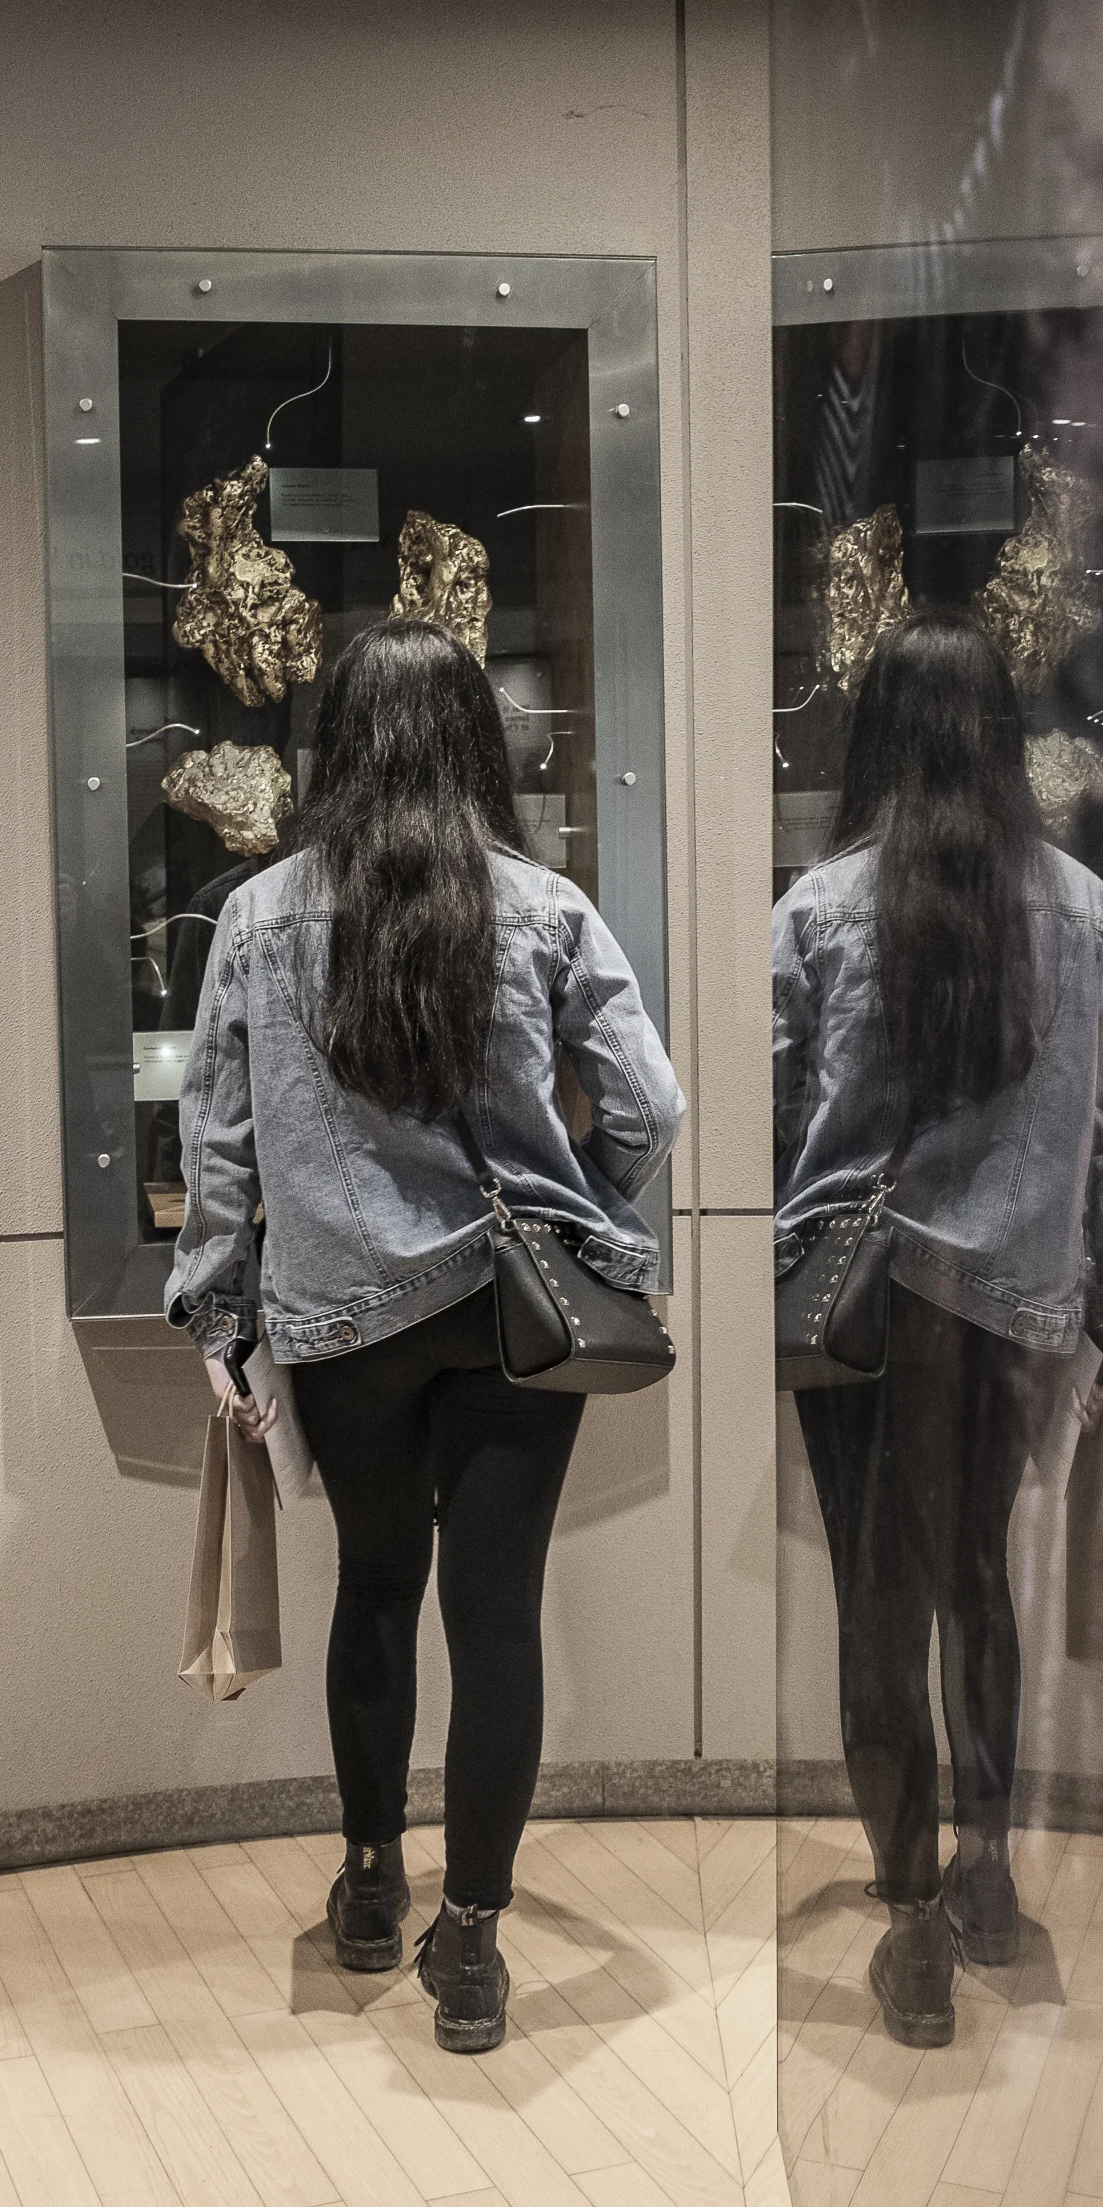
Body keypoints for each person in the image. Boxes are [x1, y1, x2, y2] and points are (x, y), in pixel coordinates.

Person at [167, 617, 685, 2055]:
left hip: (341, 1320)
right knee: (497, 1611)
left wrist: (221, 1309)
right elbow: (650, 1106)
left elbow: (215, 1139)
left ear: (334, 742)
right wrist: (582, 1207)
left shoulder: (259, 915)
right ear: (478, 740)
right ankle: (474, 1946)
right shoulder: (544, 903)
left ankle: (370, 1883)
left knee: (377, 1592)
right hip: (516, 1312)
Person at [771, 610, 1103, 2051]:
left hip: (860, 1306)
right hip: (1016, 1307)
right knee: (977, 1584)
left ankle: (908, 1916)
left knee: (875, 1597)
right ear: (1004, 741)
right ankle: (990, 1874)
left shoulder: (817, 909)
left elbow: (764, 1122)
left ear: (871, 735)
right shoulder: (1078, 905)